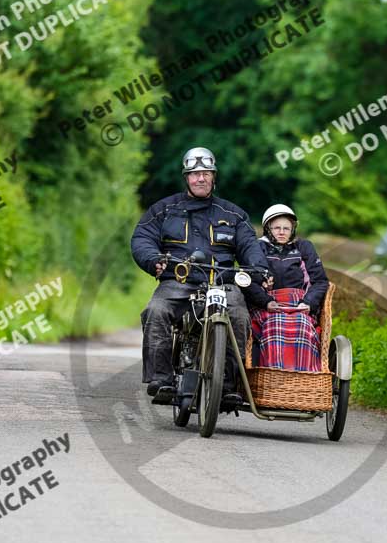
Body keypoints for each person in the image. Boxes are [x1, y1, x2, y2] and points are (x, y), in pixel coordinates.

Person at [130, 147, 268, 405]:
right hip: (178, 281)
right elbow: (142, 238)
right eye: (194, 174)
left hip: (223, 283)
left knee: (239, 317)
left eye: (206, 173)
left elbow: (251, 246)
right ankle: (162, 379)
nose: (200, 178)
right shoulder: (164, 209)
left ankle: (226, 386)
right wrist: (153, 260)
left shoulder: (234, 215)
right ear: (186, 178)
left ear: (214, 176)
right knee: (155, 311)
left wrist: (259, 269)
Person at [245, 204, 329, 371]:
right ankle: (273, 376)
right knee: (275, 325)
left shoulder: (304, 247)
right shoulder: (258, 248)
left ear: (293, 229)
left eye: (286, 228)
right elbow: (248, 281)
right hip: (267, 306)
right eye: (277, 228)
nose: (282, 232)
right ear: (268, 229)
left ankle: (302, 377)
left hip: (300, 305)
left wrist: (307, 302)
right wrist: (266, 301)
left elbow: (320, 282)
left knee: (302, 325)